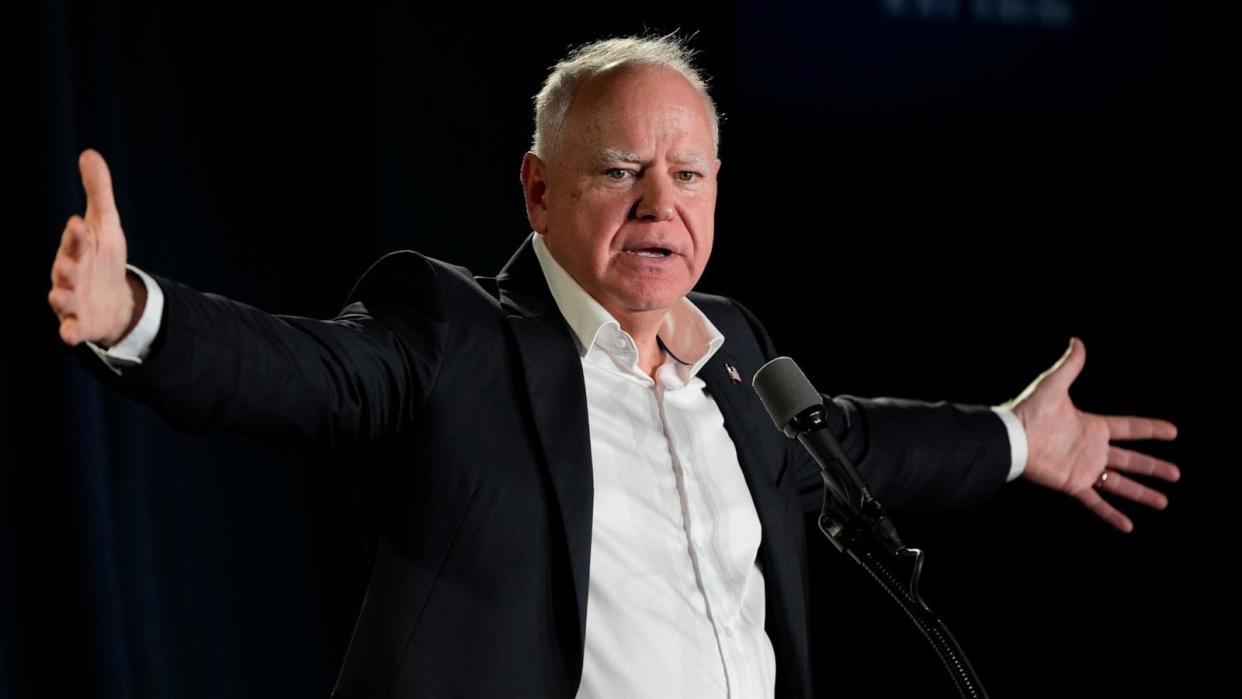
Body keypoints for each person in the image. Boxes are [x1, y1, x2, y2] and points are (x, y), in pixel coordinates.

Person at [46, 36, 1178, 698]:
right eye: (622, 170)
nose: (661, 205)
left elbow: (858, 443)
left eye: (690, 175)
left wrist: (1026, 438)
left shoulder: (736, 355)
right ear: (538, 191)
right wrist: (132, 315)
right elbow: (303, 372)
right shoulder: (456, 336)